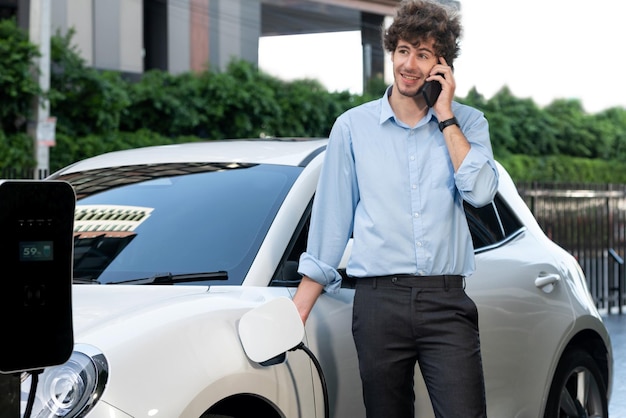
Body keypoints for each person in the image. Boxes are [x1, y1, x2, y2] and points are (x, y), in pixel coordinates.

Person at [293, 0, 499, 417]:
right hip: (378, 304)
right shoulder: (352, 127)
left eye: (423, 55)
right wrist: (297, 312)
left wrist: (445, 117)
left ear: (442, 65)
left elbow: (480, 192)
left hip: (446, 300)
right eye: (403, 50)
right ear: (392, 51)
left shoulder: (469, 124)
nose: (409, 64)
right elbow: (331, 223)